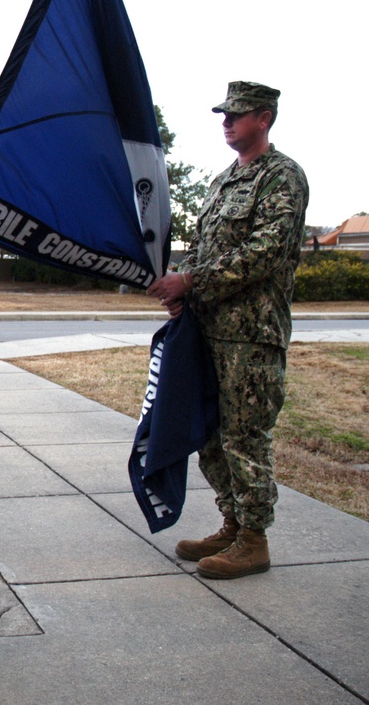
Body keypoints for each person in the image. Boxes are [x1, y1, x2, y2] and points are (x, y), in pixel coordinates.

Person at [147, 81, 309, 579]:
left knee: (245, 435)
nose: (226, 122)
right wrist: (182, 289)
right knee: (210, 434)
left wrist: (192, 280)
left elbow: (266, 252)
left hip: (250, 336)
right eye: (224, 114)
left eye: (236, 115)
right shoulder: (221, 182)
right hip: (208, 330)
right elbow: (203, 247)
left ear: (264, 118)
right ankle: (233, 522)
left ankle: (254, 539)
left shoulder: (282, 177)